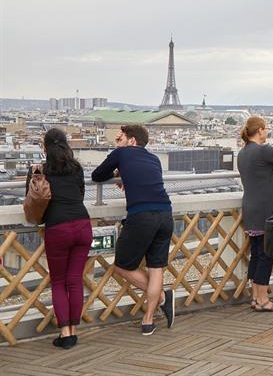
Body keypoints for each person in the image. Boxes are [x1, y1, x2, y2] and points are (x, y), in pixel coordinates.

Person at [92, 125, 175, 336]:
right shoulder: (154, 159)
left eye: (122, 138)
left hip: (142, 215)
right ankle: (148, 321)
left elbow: (97, 175)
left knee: (122, 264)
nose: (119, 141)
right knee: (156, 267)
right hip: (165, 213)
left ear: (131, 141)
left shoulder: (122, 152)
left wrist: (117, 154)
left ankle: (163, 298)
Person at [26, 128, 91, 349]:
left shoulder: (39, 171)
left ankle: (65, 334)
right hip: (83, 225)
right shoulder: (77, 168)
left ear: (45, 148)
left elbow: (33, 199)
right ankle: (74, 328)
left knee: (58, 282)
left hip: (58, 228)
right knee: (75, 280)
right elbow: (81, 194)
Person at [237, 116, 273, 312]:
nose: (267, 132)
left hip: (250, 208)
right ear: (260, 131)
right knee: (266, 255)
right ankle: (263, 299)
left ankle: (256, 297)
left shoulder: (242, 153)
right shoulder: (263, 151)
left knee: (257, 254)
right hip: (266, 210)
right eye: (266, 129)